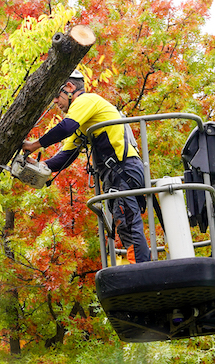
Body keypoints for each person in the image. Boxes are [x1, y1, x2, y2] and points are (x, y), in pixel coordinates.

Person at [22, 70, 150, 263]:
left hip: (123, 170)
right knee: (124, 223)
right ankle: (141, 268)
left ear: (70, 88)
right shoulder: (84, 121)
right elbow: (67, 155)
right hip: (120, 172)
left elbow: (65, 127)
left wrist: (34, 145)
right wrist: (39, 165)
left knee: (128, 223)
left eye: (57, 96)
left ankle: (143, 273)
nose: (55, 102)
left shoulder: (86, 101)